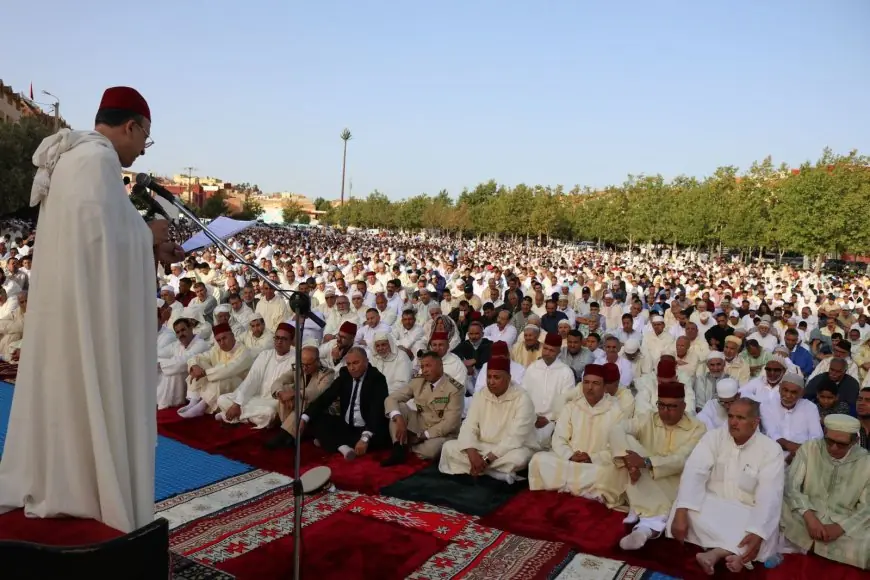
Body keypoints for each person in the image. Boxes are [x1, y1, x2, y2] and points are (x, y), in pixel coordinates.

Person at [0, 87, 183, 533]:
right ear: (131, 126)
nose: (142, 149)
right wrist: (151, 234)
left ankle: (73, 484)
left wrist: (146, 239)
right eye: (146, 138)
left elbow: (98, 237)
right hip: (80, 314)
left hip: (68, 307)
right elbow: (103, 242)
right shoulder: (95, 161)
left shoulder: (78, 158)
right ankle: (82, 491)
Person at [667, 398, 784, 574]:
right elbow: (695, 472)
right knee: (684, 506)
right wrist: (682, 512)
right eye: (730, 416)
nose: (733, 422)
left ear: (755, 423)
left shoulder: (771, 450)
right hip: (713, 504)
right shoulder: (713, 437)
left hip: (747, 511)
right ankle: (731, 551)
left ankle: (716, 553)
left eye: (740, 418)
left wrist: (759, 532)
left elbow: (769, 495)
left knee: (762, 532)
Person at [781, 414, 870, 570]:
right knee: (778, 509)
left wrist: (840, 527)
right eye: (829, 441)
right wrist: (809, 517)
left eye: (841, 444)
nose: (833, 448)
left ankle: (812, 546)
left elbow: (866, 508)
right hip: (804, 513)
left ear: (854, 442)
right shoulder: (810, 448)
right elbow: (791, 485)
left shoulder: (866, 462)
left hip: (843, 520)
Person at [439, 357, 537, 484]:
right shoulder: (481, 394)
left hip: (508, 450)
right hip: (481, 445)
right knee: (448, 447)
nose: (491, 381)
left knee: (519, 458)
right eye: (489, 377)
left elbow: (515, 438)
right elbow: (469, 425)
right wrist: (472, 452)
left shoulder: (523, 399)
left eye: (496, 377)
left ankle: (479, 468)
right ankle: (495, 474)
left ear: (508, 378)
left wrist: (487, 460)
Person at [299, 347, 391, 460]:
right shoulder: (345, 375)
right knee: (315, 418)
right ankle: (342, 447)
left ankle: (332, 443)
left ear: (366, 361)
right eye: (348, 364)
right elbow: (326, 397)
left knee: (379, 438)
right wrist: (304, 418)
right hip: (347, 426)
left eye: (356, 363)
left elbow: (376, 411)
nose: (352, 368)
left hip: (367, 428)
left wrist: (365, 439)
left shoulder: (377, 379)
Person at [381, 351, 464, 466]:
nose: (424, 370)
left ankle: (407, 446)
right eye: (422, 366)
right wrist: (398, 418)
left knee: (432, 450)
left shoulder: (454, 388)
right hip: (421, 424)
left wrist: (422, 436)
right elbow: (391, 399)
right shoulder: (418, 381)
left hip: (442, 433)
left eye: (428, 366)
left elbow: (450, 423)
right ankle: (398, 449)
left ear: (440, 366)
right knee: (398, 408)